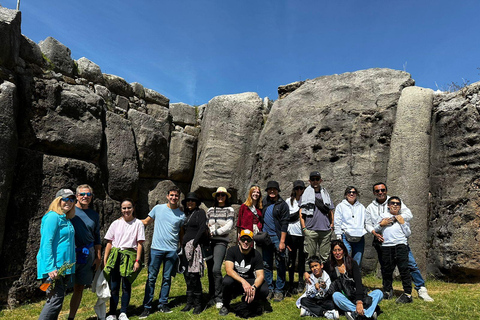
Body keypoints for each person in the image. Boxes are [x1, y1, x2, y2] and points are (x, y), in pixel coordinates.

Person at [365, 182, 434, 302]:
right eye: (377, 191)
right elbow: (368, 224)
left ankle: (420, 288)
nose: (380, 192)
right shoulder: (370, 207)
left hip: (400, 242)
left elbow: (408, 215)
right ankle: (387, 290)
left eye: (383, 190)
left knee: (409, 265)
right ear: (374, 193)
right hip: (382, 242)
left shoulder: (395, 201)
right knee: (386, 268)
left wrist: (396, 219)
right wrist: (376, 231)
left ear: (386, 191)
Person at [140, 186, 185, 318]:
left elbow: (181, 232)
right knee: (151, 278)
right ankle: (147, 307)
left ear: (179, 197)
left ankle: (163, 304)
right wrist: (129, 221)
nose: (173, 198)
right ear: (167, 196)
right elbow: (146, 222)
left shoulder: (181, 214)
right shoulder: (158, 209)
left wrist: (181, 247)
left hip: (172, 251)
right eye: (171, 195)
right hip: (156, 249)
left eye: (176, 196)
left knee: (167, 278)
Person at [37, 189, 76, 320]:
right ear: (57, 200)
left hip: (62, 268)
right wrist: (50, 267)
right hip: (54, 268)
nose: (69, 202)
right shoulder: (52, 217)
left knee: (57, 301)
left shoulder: (65, 219)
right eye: (65, 199)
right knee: (54, 301)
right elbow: (46, 243)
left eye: (72, 200)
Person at [103, 199, 145, 320]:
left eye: (129, 207)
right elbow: (109, 242)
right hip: (116, 256)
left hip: (129, 256)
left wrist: (137, 261)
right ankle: (112, 313)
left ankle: (123, 312)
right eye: (124, 208)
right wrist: (106, 260)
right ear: (121, 209)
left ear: (133, 208)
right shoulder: (116, 223)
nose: (126, 210)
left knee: (126, 285)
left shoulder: (138, 224)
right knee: (114, 285)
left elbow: (140, 243)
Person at [326, 240, 383, 320]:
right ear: (332, 252)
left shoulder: (352, 263)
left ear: (344, 251)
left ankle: (359, 314)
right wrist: (306, 274)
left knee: (378, 293)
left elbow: (358, 283)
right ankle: (367, 314)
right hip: (344, 297)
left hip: (357, 294)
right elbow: (317, 270)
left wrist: (359, 301)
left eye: (339, 250)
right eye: (334, 250)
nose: (337, 253)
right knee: (335, 296)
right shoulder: (329, 266)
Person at [68, 184, 102, 320]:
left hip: (87, 254)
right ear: (76, 196)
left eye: (88, 194)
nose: (85, 197)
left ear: (91, 197)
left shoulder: (94, 215)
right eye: (82, 194)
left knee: (79, 287)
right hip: (70, 254)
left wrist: (98, 256)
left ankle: (71, 317)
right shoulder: (69, 210)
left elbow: (97, 236)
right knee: (60, 287)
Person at [219, 229, 268, 317]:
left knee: (264, 289)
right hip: (236, 280)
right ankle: (225, 305)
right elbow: (229, 270)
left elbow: (260, 275)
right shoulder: (232, 250)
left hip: (249, 280)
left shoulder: (256, 254)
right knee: (226, 281)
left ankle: (253, 300)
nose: (245, 242)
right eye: (243, 239)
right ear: (239, 239)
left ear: (252, 242)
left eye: (248, 240)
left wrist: (254, 287)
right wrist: (243, 281)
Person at [299, 171, 335, 283]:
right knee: (310, 257)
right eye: (313, 179)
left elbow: (330, 210)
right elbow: (301, 213)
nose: (315, 181)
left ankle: (326, 281)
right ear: (309, 181)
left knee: (325, 257)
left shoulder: (325, 194)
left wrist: (332, 224)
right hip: (311, 230)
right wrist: (304, 228)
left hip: (325, 230)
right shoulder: (305, 195)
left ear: (320, 180)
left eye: (317, 179)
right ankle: (309, 282)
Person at [377, 197, 413, 304]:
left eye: (398, 204)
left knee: (404, 269)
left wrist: (403, 223)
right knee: (387, 270)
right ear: (388, 205)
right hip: (387, 246)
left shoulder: (402, 217)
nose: (395, 205)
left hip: (400, 245)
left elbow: (408, 234)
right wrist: (380, 225)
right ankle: (387, 291)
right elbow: (376, 229)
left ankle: (407, 294)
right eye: (393, 203)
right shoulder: (383, 216)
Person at [206, 186, 235, 309]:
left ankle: (219, 297)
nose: (220, 197)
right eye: (218, 195)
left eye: (223, 195)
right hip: (209, 242)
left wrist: (215, 231)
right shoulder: (210, 210)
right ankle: (212, 295)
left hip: (220, 242)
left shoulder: (230, 209)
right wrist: (212, 229)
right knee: (210, 270)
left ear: (226, 197)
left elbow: (229, 226)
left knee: (216, 269)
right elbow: (208, 224)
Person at [262, 180, 289, 301]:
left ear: (278, 191)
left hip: (277, 238)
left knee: (280, 264)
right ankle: (269, 288)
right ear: (267, 191)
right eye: (269, 189)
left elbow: (284, 224)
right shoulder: (264, 203)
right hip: (265, 238)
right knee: (266, 264)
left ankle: (279, 290)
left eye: (274, 189)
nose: (272, 191)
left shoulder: (283, 205)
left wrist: (282, 241)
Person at [180, 192, 207, 315]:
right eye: (188, 201)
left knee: (194, 275)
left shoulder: (200, 213)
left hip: (194, 247)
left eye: (192, 201)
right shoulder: (186, 214)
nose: (190, 203)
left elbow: (202, 228)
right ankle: (189, 302)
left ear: (196, 203)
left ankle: (198, 304)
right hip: (185, 247)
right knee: (187, 275)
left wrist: (195, 243)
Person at [333, 186, 367, 267]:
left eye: (353, 192)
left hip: (359, 236)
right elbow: (337, 221)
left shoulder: (361, 207)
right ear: (345, 194)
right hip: (345, 236)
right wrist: (338, 234)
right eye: (349, 192)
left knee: (357, 260)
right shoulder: (340, 206)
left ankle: (356, 278)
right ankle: (345, 276)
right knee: (345, 257)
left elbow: (366, 220)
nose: (351, 194)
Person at [286, 180, 306, 294]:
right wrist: (298, 213)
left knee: (302, 260)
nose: (299, 190)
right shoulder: (289, 201)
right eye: (297, 188)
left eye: (301, 188)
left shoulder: (306, 201)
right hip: (292, 234)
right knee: (292, 259)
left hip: (302, 234)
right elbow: (287, 216)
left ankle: (300, 281)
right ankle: (291, 281)